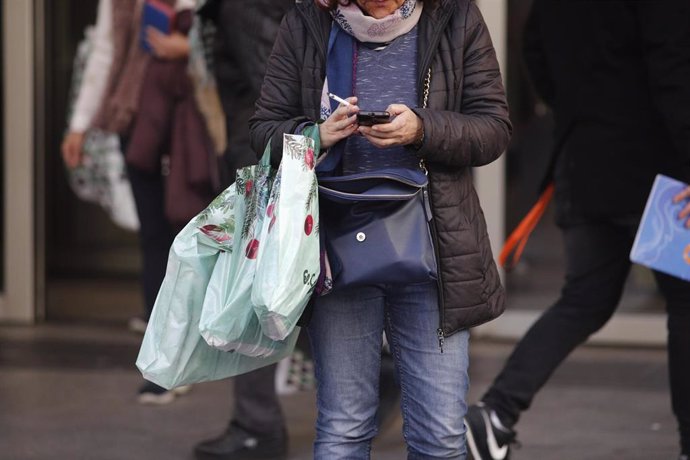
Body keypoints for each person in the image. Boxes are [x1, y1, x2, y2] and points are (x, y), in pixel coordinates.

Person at [250, 0, 511, 458]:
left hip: (434, 248)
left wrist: (422, 128)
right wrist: (317, 135)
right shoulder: (308, 22)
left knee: (441, 435)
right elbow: (263, 131)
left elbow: (492, 128)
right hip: (337, 244)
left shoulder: (454, 15)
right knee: (344, 429)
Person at [464, 2, 690, 459]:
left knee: (586, 299)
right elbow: (675, 74)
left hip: (584, 163)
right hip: (659, 174)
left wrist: (579, 116)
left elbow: (535, 52)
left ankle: (497, 412)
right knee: (685, 305)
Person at [192, 2, 402, 458]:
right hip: (284, 156)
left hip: (276, 163)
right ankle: (264, 417)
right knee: (280, 290)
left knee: (258, 292)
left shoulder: (248, 6)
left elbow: (277, 85)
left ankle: (257, 422)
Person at [61, 0, 217, 404]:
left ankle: (200, 347)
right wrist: (79, 125)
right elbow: (105, 52)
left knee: (194, 237)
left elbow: (227, 39)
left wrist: (185, 48)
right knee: (154, 237)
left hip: (192, 121)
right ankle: (163, 364)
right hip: (138, 120)